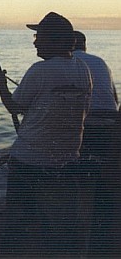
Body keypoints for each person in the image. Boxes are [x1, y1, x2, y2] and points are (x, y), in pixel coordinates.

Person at [0, 12, 92, 256]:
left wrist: (1, 84)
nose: (35, 42)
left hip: (30, 161)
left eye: (39, 37)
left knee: (19, 218)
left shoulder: (40, 70)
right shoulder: (83, 70)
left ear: (56, 41)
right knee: (60, 220)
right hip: (67, 159)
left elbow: (14, 107)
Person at [73, 30, 121, 255]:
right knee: (103, 185)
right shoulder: (100, 61)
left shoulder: (69, 63)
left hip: (88, 128)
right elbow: (115, 99)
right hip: (111, 127)